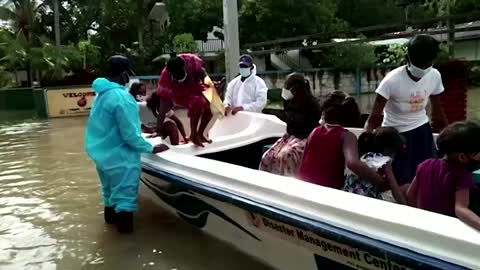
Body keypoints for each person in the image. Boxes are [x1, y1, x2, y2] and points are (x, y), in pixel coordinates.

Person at [85, 55, 169, 233]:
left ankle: (110, 243)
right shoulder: (122, 97)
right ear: (124, 74)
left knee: (109, 197)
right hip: (121, 160)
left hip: (102, 159)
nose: (128, 79)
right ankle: (126, 247)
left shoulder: (100, 95)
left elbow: (108, 122)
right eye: (128, 75)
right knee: (124, 201)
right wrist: (152, 148)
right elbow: (130, 137)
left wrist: (140, 126)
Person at [365, 35, 448, 187]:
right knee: (402, 180)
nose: (423, 68)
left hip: (422, 132)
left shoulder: (435, 76)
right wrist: (367, 145)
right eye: (419, 64)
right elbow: (374, 117)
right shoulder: (391, 81)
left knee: (428, 176)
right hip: (396, 136)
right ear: (408, 57)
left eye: (427, 64)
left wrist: (449, 136)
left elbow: (438, 111)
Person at [298, 92, 387, 190]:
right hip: (328, 190)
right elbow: (353, 163)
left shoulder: (315, 131)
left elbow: (304, 159)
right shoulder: (346, 136)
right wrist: (379, 181)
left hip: (304, 185)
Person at [407, 121, 480, 230]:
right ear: (462, 157)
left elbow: (410, 194)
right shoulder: (461, 174)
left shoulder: (425, 164)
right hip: (450, 227)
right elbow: (461, 209)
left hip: (428, 224)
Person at [259, 73, 320, 176]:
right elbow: (289, 120)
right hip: (291, 135)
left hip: (305, 137)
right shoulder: (289, 101)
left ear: (294, 88)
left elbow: (307, 124)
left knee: (286, 155)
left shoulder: (311, 103)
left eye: (287, 87)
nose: (285, 90)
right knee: (267, 157)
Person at [155, 53, 212, 147]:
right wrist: (158, 130)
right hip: (178, 92)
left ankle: (200, 134)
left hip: (194, 85)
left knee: (211, 105)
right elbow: (162, 110)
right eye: (177, 76)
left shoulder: (193, 61)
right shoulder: (165, 78)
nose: (181, 77)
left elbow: (205, 77)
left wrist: (212, 86)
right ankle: (193, 135)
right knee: (197, 101)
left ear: (185, 67)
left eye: (181, 75)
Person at [343, 128, 407, 204]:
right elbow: (394, 188)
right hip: (365, 202)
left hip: (348, 196)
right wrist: (404, 205)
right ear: (389, 150)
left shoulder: (365, 156)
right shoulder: (384, 162)